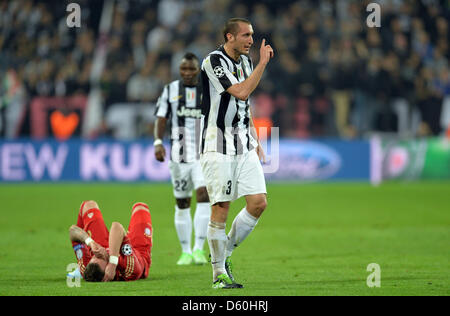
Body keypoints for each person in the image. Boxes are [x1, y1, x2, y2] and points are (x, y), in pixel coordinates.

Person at [199, 18, 274, 289]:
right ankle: (218, 274)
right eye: (245, 35)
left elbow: (246, 105)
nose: (251, 40)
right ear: (229, 36)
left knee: (258, 202)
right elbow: (241, 92)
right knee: (221, 208)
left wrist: (255, 139)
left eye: (252, 35)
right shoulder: (213, 62)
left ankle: (225, 254)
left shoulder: (245, 62)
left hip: (243, 143)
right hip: (218, 144)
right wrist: (264, 63)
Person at [154, 52, 211, 265]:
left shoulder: (208, 89)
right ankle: (185, 251)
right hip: (179, 156)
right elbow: (161, 118)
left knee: (204, 194)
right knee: (182, 202)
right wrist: (158, 143)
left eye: (191, 69)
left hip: (203, 155)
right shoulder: (170, 90)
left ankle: (199, 249)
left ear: (198, 70)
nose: (187, 73)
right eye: (183, 69)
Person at [69, 200, 153, 282]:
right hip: (137, 252)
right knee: (140, 208)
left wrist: (90, 242)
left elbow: (72, 231)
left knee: (88, 205)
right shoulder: (129, 270)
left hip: (105, 245)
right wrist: (113, 263)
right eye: (102, 257)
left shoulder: (86, 267)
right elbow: (116, 226)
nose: (101, 252)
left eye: (96, 256)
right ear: (107, 272)